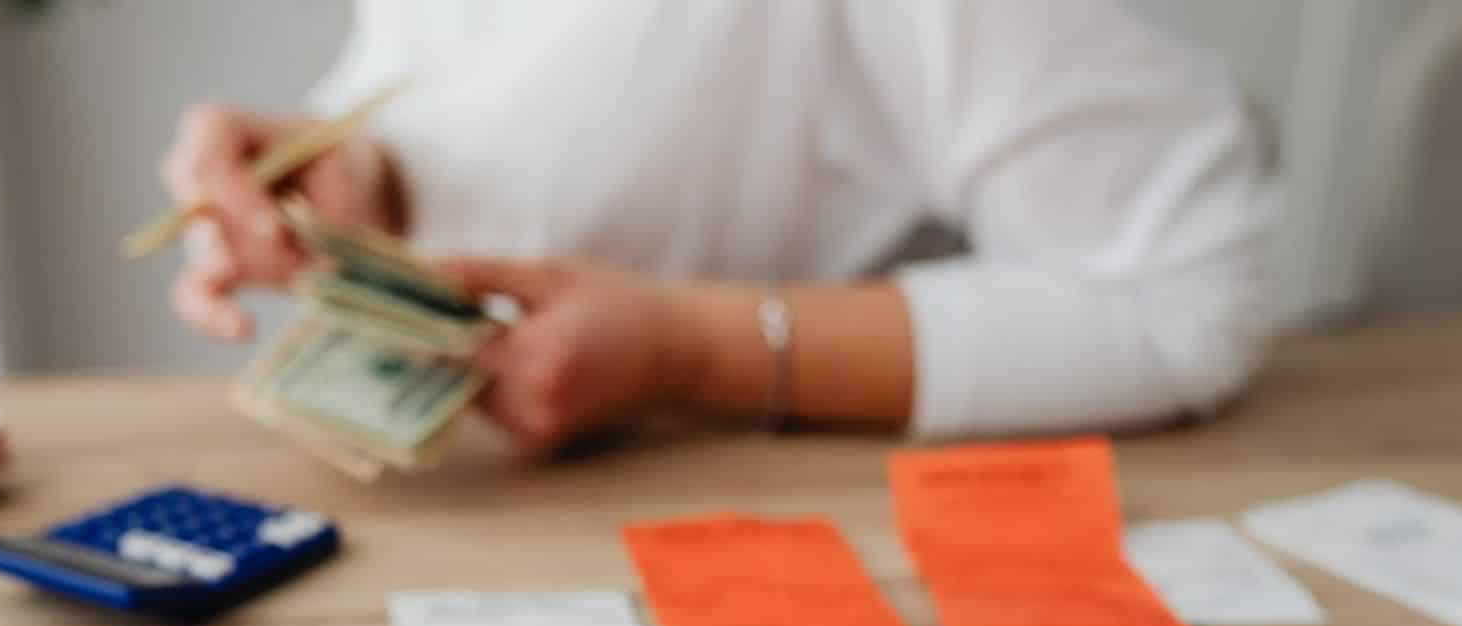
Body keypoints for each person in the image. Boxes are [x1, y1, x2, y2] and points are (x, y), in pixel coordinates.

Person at [162, 0, 1275, 452]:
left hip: (771, 535)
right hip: (484, 531)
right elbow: (444, 73)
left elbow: (1184, 303)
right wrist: (364, 175)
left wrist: (689, 348)